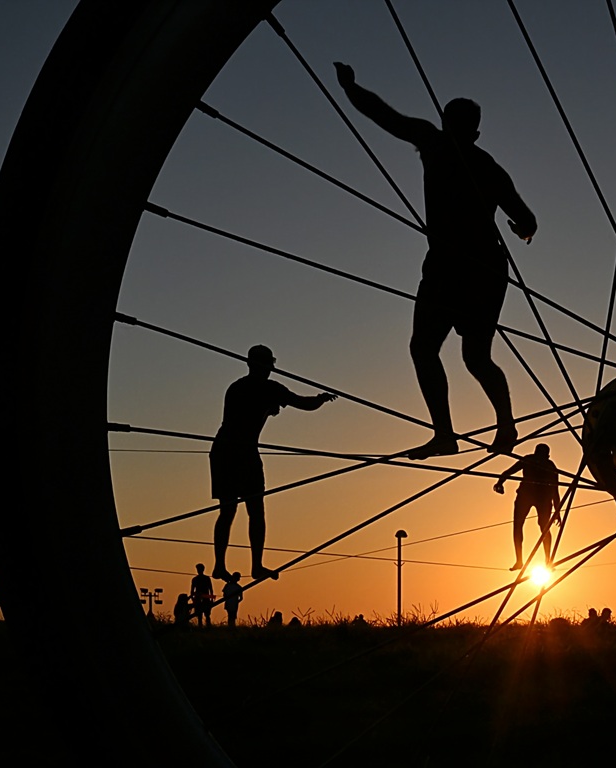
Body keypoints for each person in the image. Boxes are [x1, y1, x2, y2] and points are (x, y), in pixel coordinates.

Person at [334, 62, 538, 460]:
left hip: (448, 266)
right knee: (476, 358)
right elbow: (528, 220)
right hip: (485, 267)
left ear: (446, 124)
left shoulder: (433, 141)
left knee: (425, 349)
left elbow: (384, 116)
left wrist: (349, 87)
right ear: (476, 132)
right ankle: (505, 426)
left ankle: (447, 433)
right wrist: (520, 229)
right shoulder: (489, 167)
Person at [210, 344, 336, 580]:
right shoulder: (269, 388)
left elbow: (246, 414)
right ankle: (250, 565)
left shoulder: (237, 387)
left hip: (225, 451)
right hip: (238, 453)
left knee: (230, 511)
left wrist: (270, 408)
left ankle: (226, 565)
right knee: (250, 511)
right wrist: (320, 399)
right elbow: (302, 403)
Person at [494, 443, 561, 571]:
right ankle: (522, 560)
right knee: (526, 526)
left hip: (540, 498)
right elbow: (555, 491)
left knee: (542, 527)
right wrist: (500, 482)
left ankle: (546, 560)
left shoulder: (545, 465)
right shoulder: (538, 462)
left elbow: (555, 490)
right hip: (529, 496)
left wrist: (557, 511)